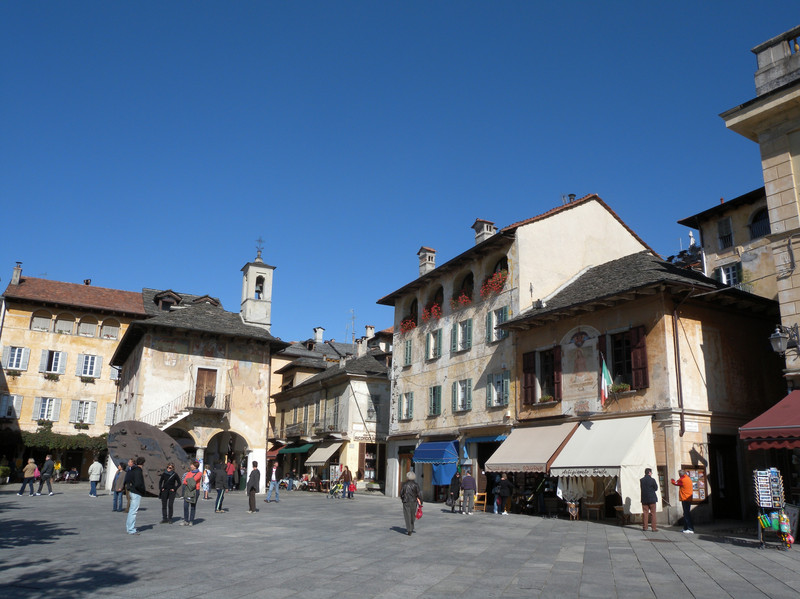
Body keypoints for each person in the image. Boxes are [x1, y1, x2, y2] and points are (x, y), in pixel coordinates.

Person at [124, 457, 146, 535]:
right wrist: (142, 490)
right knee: (133, 511)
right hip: (137, 492)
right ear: (143, 463)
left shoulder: (132, 469)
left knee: (131, 511)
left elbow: (127, 479)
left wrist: (129, 487)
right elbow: (138, 483)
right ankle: (131, 529)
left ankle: (129, 527)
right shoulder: (138, 471)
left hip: (132, 491)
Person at [399, 471, 422, 535]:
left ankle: (409, 529)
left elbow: (401, 493)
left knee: (407, 515)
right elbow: (419, 494)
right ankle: (411, 527)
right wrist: (421, 501)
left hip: (406, 501)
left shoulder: (404, 484)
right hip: (413, 502)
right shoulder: (416, 485)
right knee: (412, 515)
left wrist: (403, 498)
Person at [181, 461, 202, 526]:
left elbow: (193, 481)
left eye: (192, 465)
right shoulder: (189, 473)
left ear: (195, 466)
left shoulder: (199, 473)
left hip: (195, 490)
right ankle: (186, 520)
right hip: (187, 490)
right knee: (185, 505)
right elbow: (185, 481)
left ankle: (191, 520)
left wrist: (188, 480)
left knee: (193, 506)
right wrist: (189, 481)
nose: (190, 466)